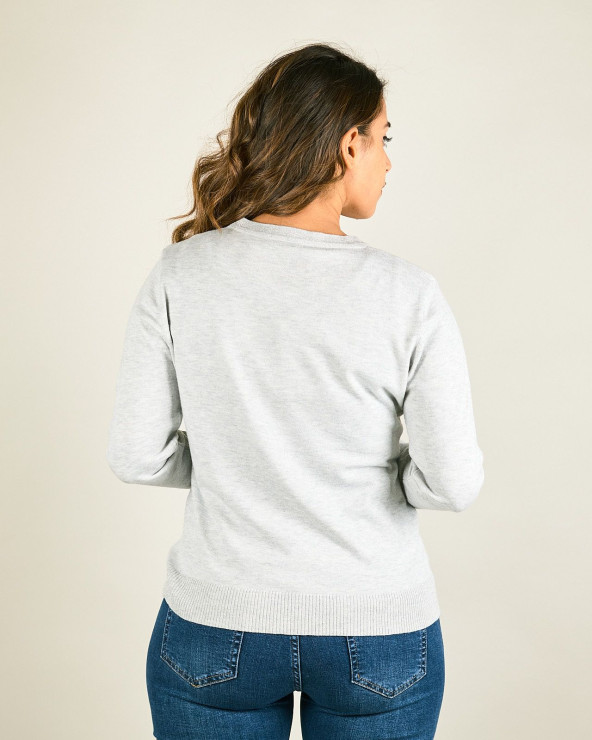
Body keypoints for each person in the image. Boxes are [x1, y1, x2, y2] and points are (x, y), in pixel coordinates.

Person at [106, 41, 484, 740]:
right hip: (376, 624)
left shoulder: (180, 274)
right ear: (348, 144)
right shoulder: (408, 294)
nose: (388, 161)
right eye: (384, 138)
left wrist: (236, 461)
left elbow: (136, 454)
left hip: (216, 623)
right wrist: (370, 475)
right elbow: (452, 481)